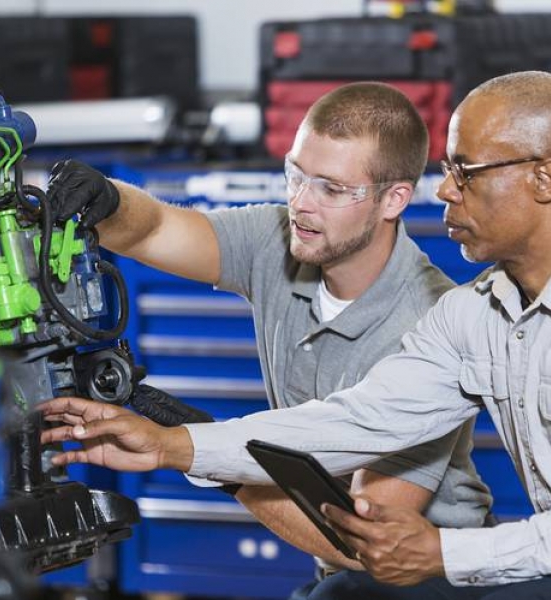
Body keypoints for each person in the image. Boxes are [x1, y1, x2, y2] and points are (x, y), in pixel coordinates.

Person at [41, 71, 551, 600]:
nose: (442, 189)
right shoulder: (477, 314)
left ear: (543, 179)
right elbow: (360, 420)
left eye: (465, 172)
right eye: (446, 169)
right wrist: (174, 444)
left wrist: (448, 553)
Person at [44, 82, 491, 595]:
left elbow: (365, 543)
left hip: (433, 578)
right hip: (343, 574)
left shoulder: (429, 323)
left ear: (394, 199)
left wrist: (207, 454)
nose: (301, 203)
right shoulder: (278, 240)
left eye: (331, 189)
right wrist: (109, 200)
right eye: (295, 174)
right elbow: (152, 229)